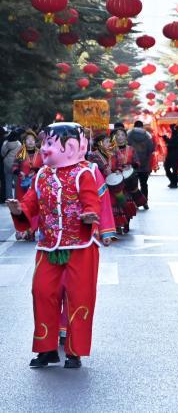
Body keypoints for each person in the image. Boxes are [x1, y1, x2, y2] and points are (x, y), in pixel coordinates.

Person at [7, 123, 108, 369]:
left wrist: (89, 216)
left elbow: (91, 201)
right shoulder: (42, 175)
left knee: (79, 297)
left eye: (50, 143)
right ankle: (46, 348)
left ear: (71, 146)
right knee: (42, 293)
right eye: (45, 143)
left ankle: (75, 351)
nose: (44, 148)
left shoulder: (84, 172)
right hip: (48, 246)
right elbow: (31, 204)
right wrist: (19, 210)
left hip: (80, 246)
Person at [11, 130, 42, 240]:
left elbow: (45, 166)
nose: (31, 142)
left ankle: (32, 231)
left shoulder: (40, 153)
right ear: (24, 141)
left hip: (35, 185)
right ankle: (22, 230)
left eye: (33, 140)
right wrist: (19, 173)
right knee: (22, 207)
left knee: (34, 207)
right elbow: (14, 167)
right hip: (22, 186)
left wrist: (37, 171)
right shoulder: (20, 153)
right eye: (29, 140)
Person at [110, 128, 138, 234]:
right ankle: (117, 225)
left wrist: (131, 165)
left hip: (128, 180)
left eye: (122, 135)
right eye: (118, 135)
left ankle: (127, 223)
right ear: (114, 137)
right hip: (115, 180)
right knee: (116, 203)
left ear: (126, 137)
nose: (120, 137)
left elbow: (136, 162)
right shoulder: (111, 150)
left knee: (127, 202)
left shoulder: (131, 149)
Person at [127, 120, 154, 209]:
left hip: (132, 164)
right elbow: (151, 149)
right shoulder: (147, 135)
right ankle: (144, 202)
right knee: (144, 184)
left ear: (134, 126)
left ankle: (135, 203)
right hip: (144, 164)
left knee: (133, 185)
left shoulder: (129, 134)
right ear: (142, 127)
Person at [162, 124, 178, 188]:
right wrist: (166, 139)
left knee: (173, 171)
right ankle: (173, 182)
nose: (171, 129)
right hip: (170, 156)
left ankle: (174, 183)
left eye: (171, 128)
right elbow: (171, 143)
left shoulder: (177, 136)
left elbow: (172, 144)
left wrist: (166, 139)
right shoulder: (174, 135)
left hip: (175, 157)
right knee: (168, 170)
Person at [1, 130, 21, 201]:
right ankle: (16, 198)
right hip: (15, 164)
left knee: (8, 182)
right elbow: (20, 155)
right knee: (16, 182)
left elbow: (2, 154)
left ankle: (9, 198)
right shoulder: (19, 144)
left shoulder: (5, 143)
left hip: (7, 164)